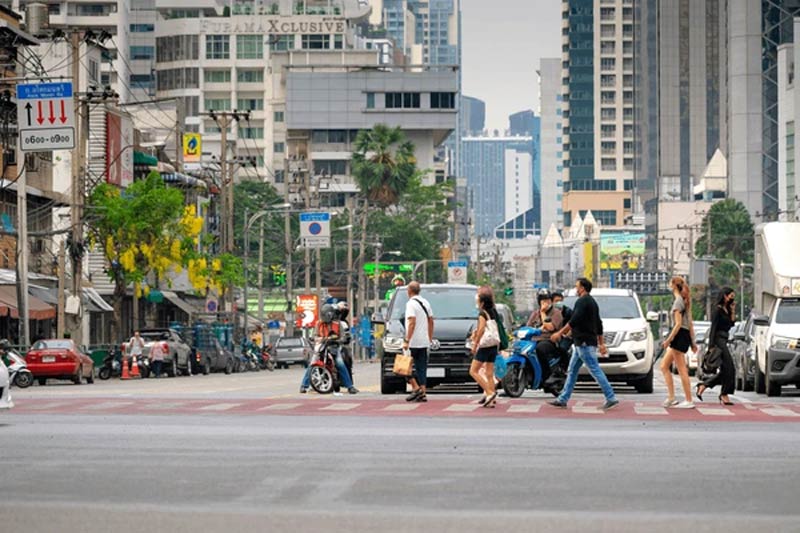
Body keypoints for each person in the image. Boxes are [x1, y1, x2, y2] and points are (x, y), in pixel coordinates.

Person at [549, 278, 619, 411]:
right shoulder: (592, 302)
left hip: (584, 342)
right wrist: (601, 343)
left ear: (582, 288)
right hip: (581, 342)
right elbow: (598, 324)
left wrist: (559, 333)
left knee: (594, 369)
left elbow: (574, 320)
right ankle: (563, 398)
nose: (576, 289)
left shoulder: (582, 301)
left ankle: (611, 397)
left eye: (577, 287)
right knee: (572, 370)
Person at [300, 304, 359, 394]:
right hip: (320, 347)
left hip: (333, 347)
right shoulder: (318, 324)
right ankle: (304, 385)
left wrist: (337, 340)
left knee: (340, 364)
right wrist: (318, 339)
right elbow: (314, 336)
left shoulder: (337, 324)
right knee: (312, 364)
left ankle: (350, 386)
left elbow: (343, 337)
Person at [658, 276, 697, 408]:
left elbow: (678, 324)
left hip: (679, 335)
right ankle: (671, 397)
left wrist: (668, 340)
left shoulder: (678, 302)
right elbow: (690, 324)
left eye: (670, 283)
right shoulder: (683, 301)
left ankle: (689, 399)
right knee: (664, 366)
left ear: (674, 285)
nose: (669, 285)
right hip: (683, 335)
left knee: (681, 369)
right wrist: (693, 342)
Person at [696, 287, 736, 405]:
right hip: (718, 340)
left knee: (726, 370)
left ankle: (704, 385)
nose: (732, 299)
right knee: (730, 368)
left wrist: (733, 310)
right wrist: (711, 346)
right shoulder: (717, 310)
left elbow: (731, 324)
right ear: (724, 296)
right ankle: (724, 394)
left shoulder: (727, 309)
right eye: (731, 296)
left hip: (725, 339)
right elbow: (713, 328)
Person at [403, 281, 434, 403]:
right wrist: (429, 338)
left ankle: (416, 388)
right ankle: (423, 393)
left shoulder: (410, 304)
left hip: (412, 342)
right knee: (422, 368)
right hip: (424, 341)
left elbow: (411, 322)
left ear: (409, 291)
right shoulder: (426, 303)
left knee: (404, 367)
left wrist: (407, 340)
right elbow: (431, 321)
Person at [470, 286, 501, 408]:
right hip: (494, 344)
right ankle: (491, 399)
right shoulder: (493, 311)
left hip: (485, 345)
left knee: (473, 371)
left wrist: (475, 343)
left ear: (482, 302)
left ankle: (489, 392)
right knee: (489, 372)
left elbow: (482, 329)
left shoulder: (482, 314)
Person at [526, 289, 564, 383]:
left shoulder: (556, 313)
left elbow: (550, 327)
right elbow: (528, 326)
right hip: (534, 340)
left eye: (547, 300)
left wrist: (543, 313)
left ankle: (547, 374)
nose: (545, 303)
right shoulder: (535, 314)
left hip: (549, 340)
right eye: (543, 300)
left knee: (540, 348)